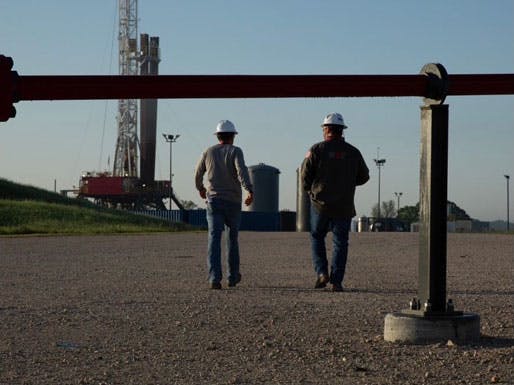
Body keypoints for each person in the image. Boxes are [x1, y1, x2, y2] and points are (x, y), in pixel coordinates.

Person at [301, 113, 369, 292]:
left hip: (320, 204)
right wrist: (347, 184)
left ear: (326, 130)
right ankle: (337, 281)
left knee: (317, 237)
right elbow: (364, 176)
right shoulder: (353, 152)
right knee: (340, 242)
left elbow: (305, 176)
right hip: (344, 206)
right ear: (342, 130)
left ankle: (322, 273)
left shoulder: (316, 149)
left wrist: (311, 191)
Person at [194, 120, 254, 290]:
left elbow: (198, 173)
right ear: (233, 136)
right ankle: (233, 276)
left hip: (213, 201)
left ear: (218, 136)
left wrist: (200, 188)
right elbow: (242, 171)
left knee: (214, 239)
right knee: (232, 239)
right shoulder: (236, 151)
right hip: (233, 202)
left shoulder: (208, 152)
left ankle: (214, 278)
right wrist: (249, 190)